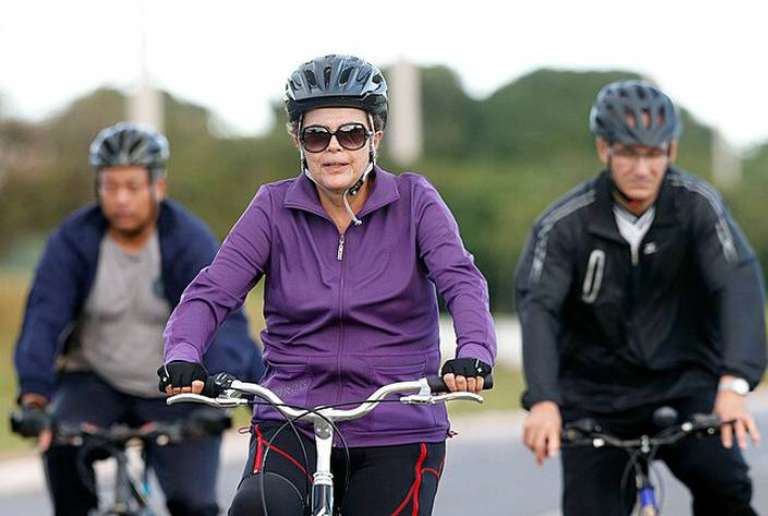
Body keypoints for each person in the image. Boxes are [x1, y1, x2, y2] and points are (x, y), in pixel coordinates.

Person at [158, 54, 497, 516]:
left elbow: (461, 280)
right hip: (291, 418)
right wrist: (183, 355)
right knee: (258, 509)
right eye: (318, 135)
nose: (334, 149)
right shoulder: (272, 208)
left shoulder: (415, 201)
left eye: (351, 134)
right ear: (299, 139)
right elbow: (213, 291)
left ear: (374, 136)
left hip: (397, 423)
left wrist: (474, 351)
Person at [515, 80, 768, 515]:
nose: (642, 168)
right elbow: (539, 307)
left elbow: (738, 284)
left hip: (685, 384)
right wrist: (543, 400)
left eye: (654, 154)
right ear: (604, 150)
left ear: (670, 152)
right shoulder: (563, 225)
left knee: (728, 489)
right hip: (595, 396)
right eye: (629, 153)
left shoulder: (698, 207)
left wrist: (735, 383)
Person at [13, 122, 263, 516]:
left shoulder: (187, 239)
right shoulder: (74, 240)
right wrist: (34, 396)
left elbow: (222, 318)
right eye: (110, 187)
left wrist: (217, 401)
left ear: (158, 187)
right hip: (95, 382)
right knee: (63, 458)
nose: (121, 199)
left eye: (132, 186)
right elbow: (43, 316)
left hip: (175, 389)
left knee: (194, 503)